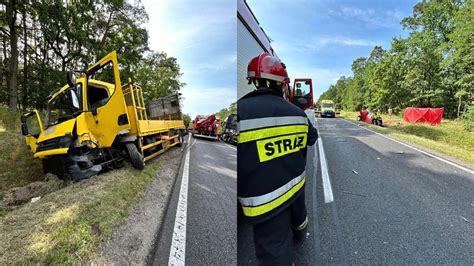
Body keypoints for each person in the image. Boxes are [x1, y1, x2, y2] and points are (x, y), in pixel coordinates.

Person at [237, 53, 318, 265]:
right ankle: (300, 233)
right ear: (283, 85)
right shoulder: (298, 114)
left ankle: (299, 231)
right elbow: (312, 138)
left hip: (263, 202)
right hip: (294, 186)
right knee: (297, 221)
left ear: (254, 81)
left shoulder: (240, 112)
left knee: (273, 251)